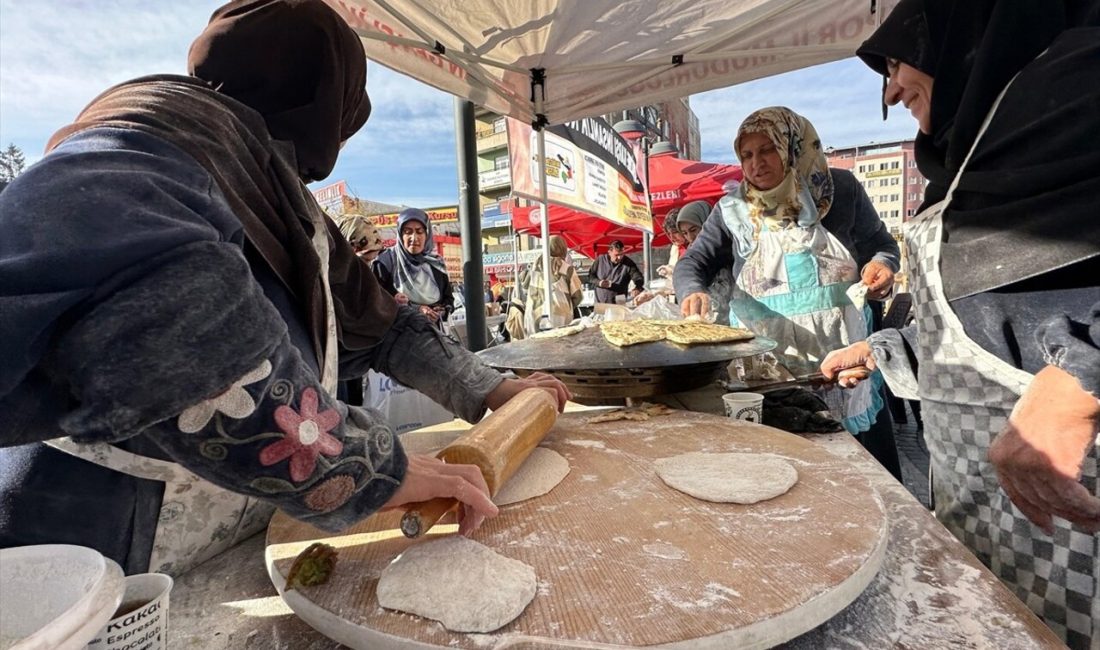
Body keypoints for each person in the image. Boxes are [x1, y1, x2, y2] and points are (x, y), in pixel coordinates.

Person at [0, 0, 569, 578]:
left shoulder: (276, 192)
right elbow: (161, 308)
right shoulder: (149, 134)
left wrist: (489, 390)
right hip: (89, 539)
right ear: (321, 100)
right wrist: (359, 468)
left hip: (220, 534)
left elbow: (381, 329)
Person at [820, 1, 1100, 645]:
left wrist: (1085, 373)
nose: (890, 89)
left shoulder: (1082, 103)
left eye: (897, 59)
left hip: (1076, 532)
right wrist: (887, 349)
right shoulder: (975, 157)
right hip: (991, 530)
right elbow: (993, 323)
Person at [675, 107, 901, 477]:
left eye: (767, 150)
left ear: (793, 149)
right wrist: (691, 290)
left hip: (841, 353)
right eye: (746, 155)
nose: (755, 164)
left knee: (859, 472)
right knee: (784, 469)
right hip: (770, 365)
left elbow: (882, 244)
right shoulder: (732, 211)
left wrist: (884, 265)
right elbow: (693, 263)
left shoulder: (839, 191)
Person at [372, 207, 454, 327]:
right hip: (397, 336)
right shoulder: (385, 262)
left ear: (427, 234)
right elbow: (377, 301)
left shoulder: (436, 263)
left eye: (419, 231)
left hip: (432, 335)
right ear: (400, 234)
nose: (414, 238)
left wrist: (441, 312)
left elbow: (448, 299)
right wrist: (415, 309)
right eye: (408, 232)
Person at [520, 235, 583, 333]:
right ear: (563, 249)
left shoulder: (534, 265)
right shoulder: (567, 269)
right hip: (560, 318)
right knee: (559, 346)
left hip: (534, 314)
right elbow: (578, 296)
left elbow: (524, 289)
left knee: (536, 346)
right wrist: (568, 305)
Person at [588, 240, 645, 304]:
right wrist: (599, 282)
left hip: (619, 302)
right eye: (616, 255)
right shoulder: (600, 260)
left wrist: (637, 287)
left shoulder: (629, 263)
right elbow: (590, 276)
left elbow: (638, 277)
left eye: (622, 254)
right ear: (609, 252)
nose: (619, 257)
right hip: (600, 301)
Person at [656, 210, 688, 279]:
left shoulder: (697, 246)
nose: (672, 237)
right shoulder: (675, 248)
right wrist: (667, 270)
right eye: (669, 233)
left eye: (675, 232)